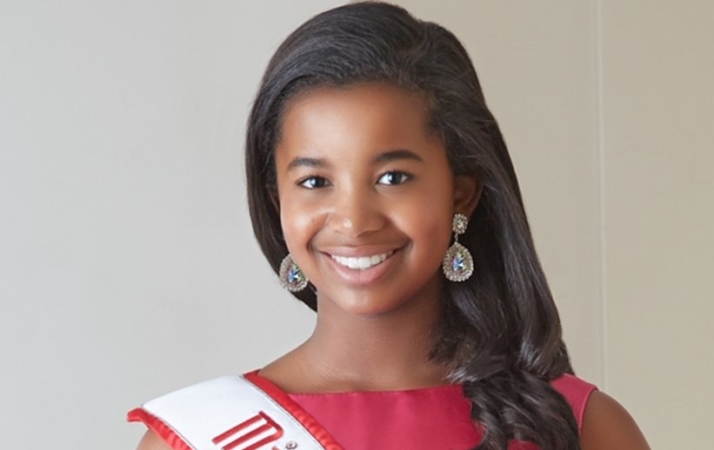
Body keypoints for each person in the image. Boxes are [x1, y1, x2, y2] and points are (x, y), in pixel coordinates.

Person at [131, 2, 650, 449]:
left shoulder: (582, 428)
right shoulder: (196, 438)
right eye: (315, 182)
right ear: (277, 202)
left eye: (393, 177)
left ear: (461, 193)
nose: (354, 221)